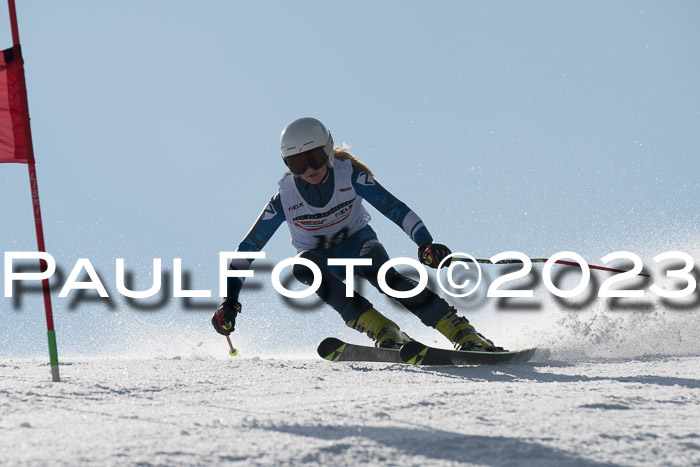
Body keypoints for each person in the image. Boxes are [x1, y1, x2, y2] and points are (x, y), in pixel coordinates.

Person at [211, 117, 502, 351]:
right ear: (288, 165)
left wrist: (425, 243)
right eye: (298, 164)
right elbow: (247, 249)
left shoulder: (349, 175)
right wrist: (230, 302)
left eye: (313, 158)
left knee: (385, 276)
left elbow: (396, 209)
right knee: (303, 266)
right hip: (322, 259)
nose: (309, 169)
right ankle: (381, 328)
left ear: (327, 151)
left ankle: (459, 330)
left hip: (360, 244)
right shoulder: (284, 198)